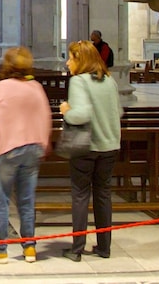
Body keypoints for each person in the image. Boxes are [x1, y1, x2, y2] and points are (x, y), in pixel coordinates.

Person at [0, 46, 53, 264]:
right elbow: (46, 116)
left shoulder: (2, 86)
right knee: (27, 200)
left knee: (1, 201)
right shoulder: (36, 87)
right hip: (33, 148)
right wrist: (43, 143)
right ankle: (29, 248)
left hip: (9, 149)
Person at [58, 40, 123, 261]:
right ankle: (104, 247)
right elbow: (119, 112)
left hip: (87, 147)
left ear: (81, 60)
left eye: (70, 58)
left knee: (80, 196)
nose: (67, 63)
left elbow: (81, 115)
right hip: (110, 146)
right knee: (103, 195)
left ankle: (77, 249)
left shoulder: (79, 82)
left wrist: (66, 110)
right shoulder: (109, 80)